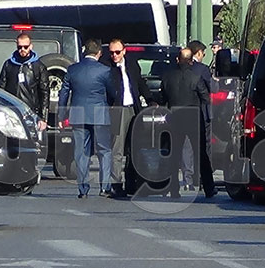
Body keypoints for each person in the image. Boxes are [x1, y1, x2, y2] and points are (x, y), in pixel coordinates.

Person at [58, 39, 116, 198]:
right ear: (99, 53)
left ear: (84, 52)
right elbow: (112, 92)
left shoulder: (72, 69)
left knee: (81, 152)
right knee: (104, 151)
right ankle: (104, 187)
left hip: (78, 114)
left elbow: (64, 93)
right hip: (99, 113)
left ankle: (83, 188)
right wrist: (109, 105)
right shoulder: (104, 70)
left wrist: (61, 115)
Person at [160, 48, 216, 198]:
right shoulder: (196, 77)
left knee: (174, 154)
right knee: (201, 154)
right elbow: (206, 97)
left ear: (177, 60)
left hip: (175, 117)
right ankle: (209, 187)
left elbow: (162, 98)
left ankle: (174, 188)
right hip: (193, 118)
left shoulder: (168, 77)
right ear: (191, 61)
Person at [99, 38, 151, 198]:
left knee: (134, 147)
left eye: (117, 52)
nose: (114, 55)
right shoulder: (106, 66)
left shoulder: (131, 64)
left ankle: (132, 183)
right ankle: (116, 184)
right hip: (117, 109)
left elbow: (139, 83)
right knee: (117, 148)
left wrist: (150, 99)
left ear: (124, 51)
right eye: (112, 53)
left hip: (133, 108)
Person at [0, 33, 49, 131]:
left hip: (30, 112)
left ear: (31, 46)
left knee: (30, 138)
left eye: (25, 47)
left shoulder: (38, 66)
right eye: (19, 47)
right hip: (11, 111)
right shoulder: (8, 64)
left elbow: (44, 92)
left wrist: (43, 118)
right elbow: (1, 88)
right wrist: (0, 110)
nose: (22, 50)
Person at [184, 40, 215, 191]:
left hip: (183, 112)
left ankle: (188, 178)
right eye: (203, 53)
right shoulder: (202, 69)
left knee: (186, 147)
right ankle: (203, 178)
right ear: (198, 53)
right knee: (203, 147)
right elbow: (212, 89)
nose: (203, 56)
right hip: (201, 113)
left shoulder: (180, 69)